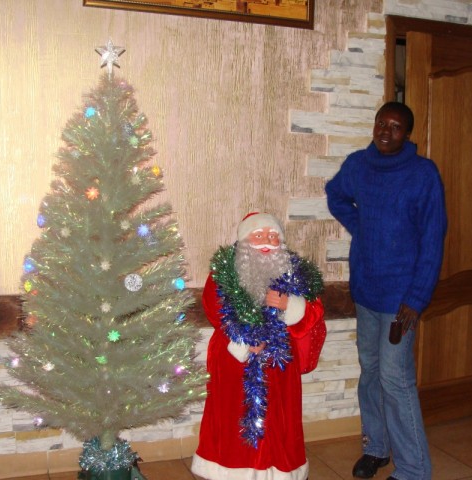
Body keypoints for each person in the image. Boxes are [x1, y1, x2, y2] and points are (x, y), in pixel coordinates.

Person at [325, 102, 447, 480]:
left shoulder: (423, 174)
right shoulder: (358, 165)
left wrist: (417, 298)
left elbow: (433, 239)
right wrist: (361, 225)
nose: (385, 131)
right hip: (367, 291)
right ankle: (376, 448)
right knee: (371, 373)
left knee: (396, 380)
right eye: (382, 123)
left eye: (395, 127)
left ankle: (413, 469)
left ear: (407, 134)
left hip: (401, 300)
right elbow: (335, 194)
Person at [191, 212, 326, 480]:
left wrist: (290, 305)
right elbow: (214, 306)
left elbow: (314, 312)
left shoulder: (296, 273)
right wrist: (247, 338)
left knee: (279, 420)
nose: (267, 241)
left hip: (279, 364)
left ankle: (280, 472)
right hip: (235, 360)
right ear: (244, 240)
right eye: (259, 235)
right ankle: (230, 471)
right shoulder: (224, 271)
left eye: (273, 236)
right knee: (233, 418)